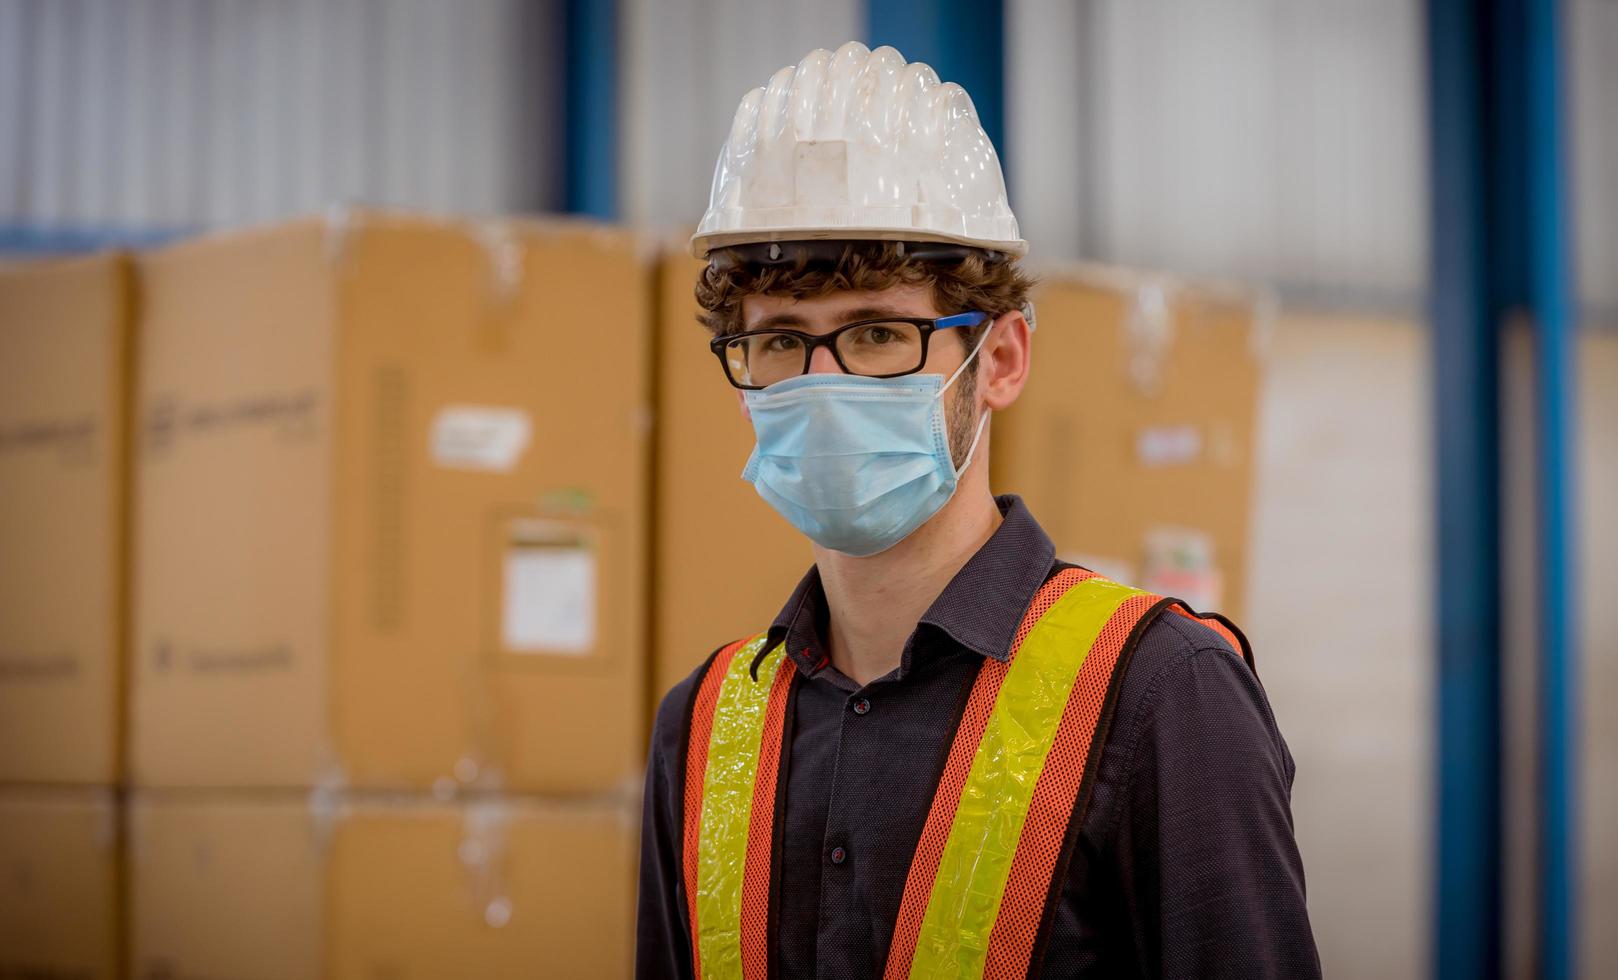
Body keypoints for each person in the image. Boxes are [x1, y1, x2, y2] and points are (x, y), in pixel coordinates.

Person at [637, 42, 1320, 980]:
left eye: (879, 335)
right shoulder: (704, 728)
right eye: (783, 342)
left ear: (999, 361)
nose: (824, 384)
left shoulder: (1163, 695)